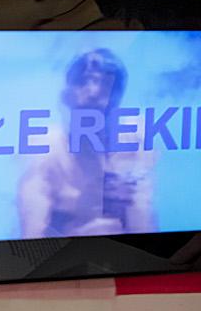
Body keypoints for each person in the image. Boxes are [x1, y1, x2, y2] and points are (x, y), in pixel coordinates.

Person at [18, 48, 154, 239]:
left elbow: (146, 230)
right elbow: (31, 238)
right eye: (84, 81)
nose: (93, 91)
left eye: (105, 83)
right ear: (67, 95)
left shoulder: (134, 139)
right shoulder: (45, 148)